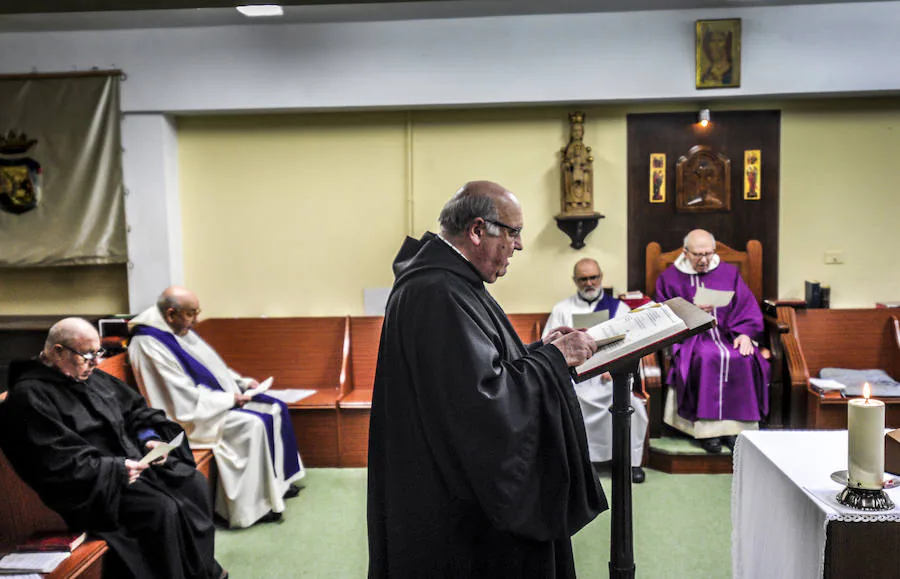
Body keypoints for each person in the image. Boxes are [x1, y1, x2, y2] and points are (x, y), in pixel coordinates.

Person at [367, 180, 607, 578]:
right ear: (477, 230)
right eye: (513, 232)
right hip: (453, 514)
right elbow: (481, 406)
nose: (519, 245)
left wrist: (536, 353)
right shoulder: (437, 291)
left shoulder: (447, 282)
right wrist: (552, 361)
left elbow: (472, 371)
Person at [0, 318, 226, 579]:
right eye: (87, 355)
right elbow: (54, 460)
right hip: (93, 487)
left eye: (98, 353)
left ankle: (203, 572)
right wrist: (116, 470)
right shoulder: (30, 396)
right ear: (57, 351)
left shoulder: (89, 375)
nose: (96, 362)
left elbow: (135, 411)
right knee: (161, 508)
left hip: (134, 465)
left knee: (192, 481)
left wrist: (149, 438)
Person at [128, 287, 305, 529]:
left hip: (208, 403)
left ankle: (277, 487)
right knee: (252, 424)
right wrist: (229, 399)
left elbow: (210, 365)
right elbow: (178, 398)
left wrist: (240, 383)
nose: (196, 319)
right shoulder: (148, 343)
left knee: (274, 408)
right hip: (187, 418)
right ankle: (250, 509)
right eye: (192, 313)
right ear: (171, 313)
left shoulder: (175, 328)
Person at [655, 229, 769, 453]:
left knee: (742, 357)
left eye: (709, 253)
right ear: (686, 253)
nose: (704, 260)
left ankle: (736, 430)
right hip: (691, 338)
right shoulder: (669, 278)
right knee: (708, 357)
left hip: (728, 335)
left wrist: (745, 334)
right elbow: (661, 315)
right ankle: (707, 432)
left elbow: (747, 307)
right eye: (698, 255)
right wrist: (691, 311)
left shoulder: (729, 273)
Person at [543, 258, 648, 483]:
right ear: (575, 281)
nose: (589, 283)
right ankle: (581, 462)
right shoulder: (562, 309)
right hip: (574, 376)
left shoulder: (620, 308)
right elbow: (548, 346)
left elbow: (632, 343)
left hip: (609, 376)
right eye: (583, 279)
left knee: (635, 406)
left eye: (593, 277)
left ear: (601, 277)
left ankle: (629, 462)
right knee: (567, 402)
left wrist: (615, 367)